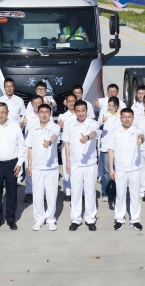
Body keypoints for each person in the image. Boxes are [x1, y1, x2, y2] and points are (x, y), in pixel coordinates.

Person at [0, 102, 26, 231]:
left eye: (3, 112)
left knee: (12, 193)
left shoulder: (14, 126)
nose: (0, 115)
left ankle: (11, 219)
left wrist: (19, 163)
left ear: (8, 112)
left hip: (12, 164)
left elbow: (21, 145)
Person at [64, 100, 101, 231]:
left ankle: (90, 219)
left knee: (90, 192)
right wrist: (68, 162)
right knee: (76, 192)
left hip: (90, 164)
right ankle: (76, 219)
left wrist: (87, 137)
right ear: (75, 111)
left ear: (87, 111)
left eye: (83, 110)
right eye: (78, 111)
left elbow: (94, 133)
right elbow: (67, 144)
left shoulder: (93, 123)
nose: (81, 113)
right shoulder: (69, 124)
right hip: (75, 164)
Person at [108, 108, 144, 230]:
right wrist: (111, 169)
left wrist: (140, 139)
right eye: (124, 117)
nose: (127, 119)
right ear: (120, 118)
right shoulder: (114, 132)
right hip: (120, 169)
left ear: (133, 118)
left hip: (135, 169)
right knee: (120, 195)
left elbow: (141, 136)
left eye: (129, 117)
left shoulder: (137, 130)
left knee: (135, 195)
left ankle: (135, 219)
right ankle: (119, 219)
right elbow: (111, 151)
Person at [27, 104, 61, 231]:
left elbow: (55, 136)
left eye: (47, 112)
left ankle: (51, 219)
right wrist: (29, 165)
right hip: (36, 167)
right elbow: (29, 148)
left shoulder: (54, 127)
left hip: (51, 167)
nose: (44, 114)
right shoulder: (33, 129)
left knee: (51, 195)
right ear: (38, 113)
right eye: (42, 112)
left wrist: (49, 142)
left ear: (50, 114)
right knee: (38, 195)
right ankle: (39, 219)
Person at [19, 95, 44, 202]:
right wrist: (22, 123)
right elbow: (17, 129)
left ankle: (43, 193)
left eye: (39, 103)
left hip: (43, 147)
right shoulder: (27, 116)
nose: (37, 105)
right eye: (35, 103)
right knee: (28, 169)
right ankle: (29, 192)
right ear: (32, 105)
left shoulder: (46, 115)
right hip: (29, 147)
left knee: (42, 170)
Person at [99, 96, 121, 202]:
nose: (111, 108)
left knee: (117, 170)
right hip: (106, 146)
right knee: (106, 171)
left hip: (117, 147)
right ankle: (106, 193)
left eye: (113, 106)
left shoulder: (121, 115)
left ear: (117, 106)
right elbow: (97, 125)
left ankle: (115, 193)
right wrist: (102, 121)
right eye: (110, 105)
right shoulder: (104, 114)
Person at [57, 93, 77, 202]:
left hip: (78, 146)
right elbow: (57, 130)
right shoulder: (63, 116)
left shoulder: (80, 114)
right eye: (69, 101)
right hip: (66, 146)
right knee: (66, 168)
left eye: (73, 101)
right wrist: (58, 126)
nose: (71, 103)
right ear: (66, 102)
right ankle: (68, 191)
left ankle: (79, 191)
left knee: (78, 169)